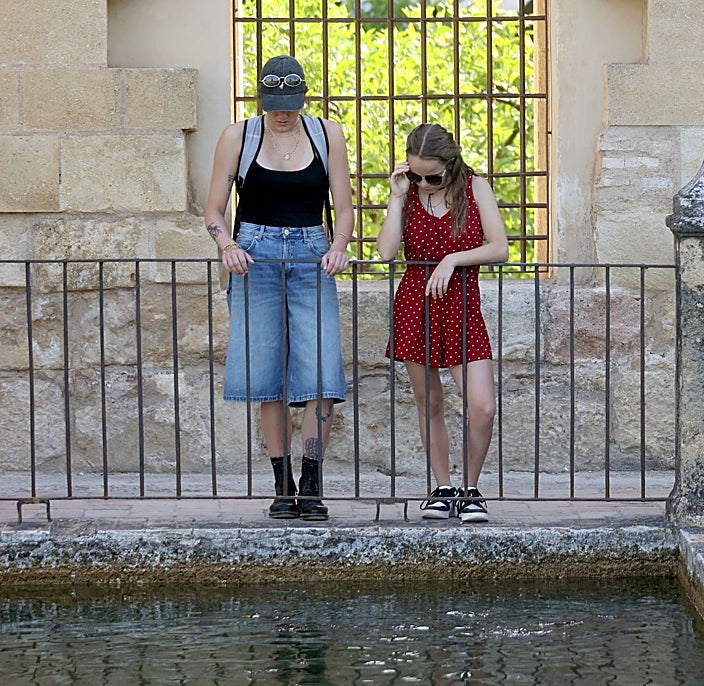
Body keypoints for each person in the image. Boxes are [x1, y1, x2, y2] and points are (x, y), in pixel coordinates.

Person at [204, 55, 354, 521]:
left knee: (321, 372)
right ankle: (281, 483)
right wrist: (226, 243)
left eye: (290, 104)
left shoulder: (327, 134)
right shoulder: (239, 136)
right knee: (265, 373)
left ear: (303, 98)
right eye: (274, 104)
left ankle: (311, 482)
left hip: (312, 253)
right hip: (255, 257)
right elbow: (213, 211)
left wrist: (340, 246)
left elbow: (345, 209)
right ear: (261, 99)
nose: (282, 113)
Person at [375, 123, 508, 523]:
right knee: (429, 402)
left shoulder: (474, 188)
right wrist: (397, 198)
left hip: (461, 307)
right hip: (416, 304)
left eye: (432, 175)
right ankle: (442, 487)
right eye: (415, 174)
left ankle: (470, 489)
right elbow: (385, 252)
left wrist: (452, 259)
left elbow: (499, 248)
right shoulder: (410, 194)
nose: (424, 182)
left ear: (451, 165)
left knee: (483, 406)